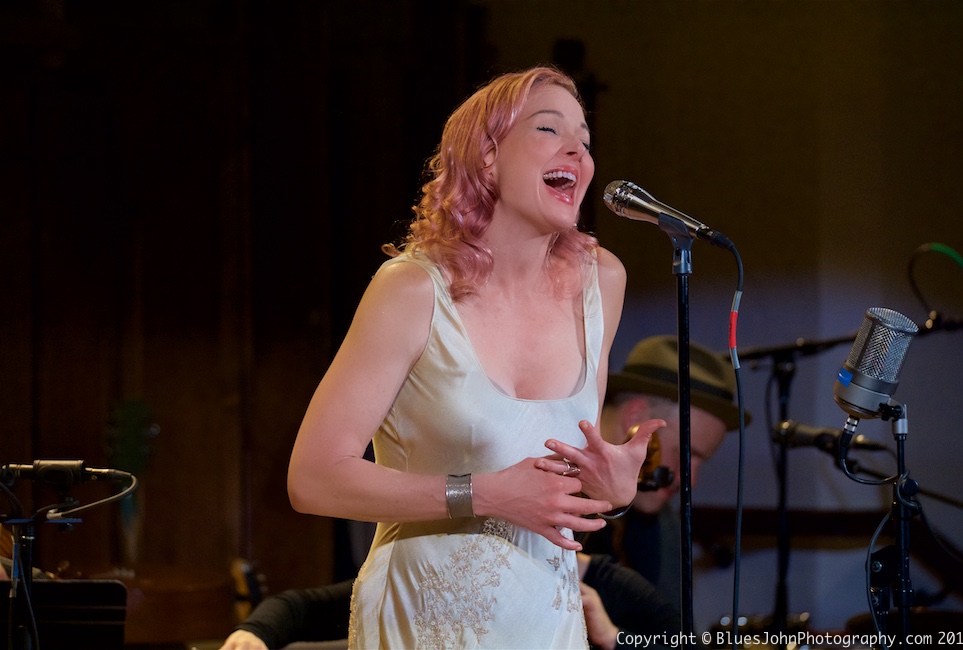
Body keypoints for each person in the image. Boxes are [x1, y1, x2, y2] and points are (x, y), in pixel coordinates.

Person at [286, 66, 659, 648]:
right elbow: (312, 479)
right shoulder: (410, 290)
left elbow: (549, 482)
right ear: (487, 158)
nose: (578, 152)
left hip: (545, 619)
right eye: (548, 129)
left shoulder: (602, 281)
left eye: (585, 140)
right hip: (422, 614)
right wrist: (482, 493)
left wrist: (610, 494)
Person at [584, 335, 750, 608]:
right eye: (685, 454)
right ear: (636, 418)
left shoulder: (665, 526)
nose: (691, 481)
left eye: (700, 462)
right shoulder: (551, 487)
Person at [218, 553, 682, 650]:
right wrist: (253, 634)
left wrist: (616, 638)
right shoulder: (457, 574)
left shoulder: (611, 584)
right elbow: (303, 608)